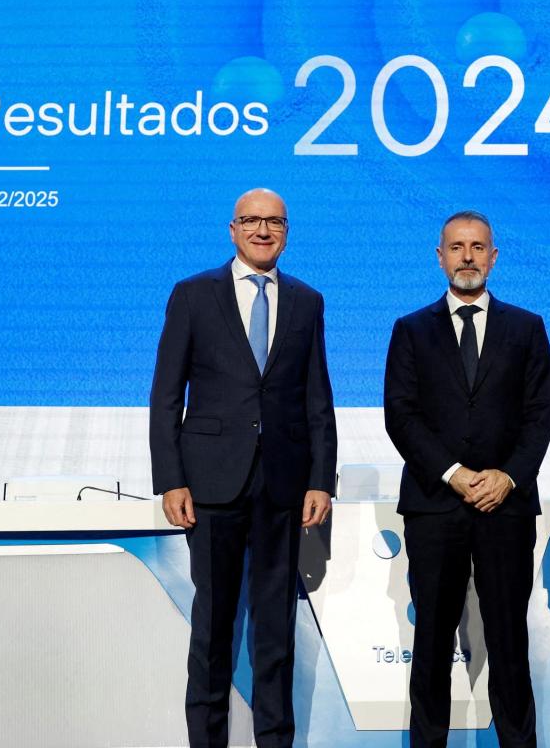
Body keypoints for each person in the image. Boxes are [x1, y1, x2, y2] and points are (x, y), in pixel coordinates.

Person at [149, 188, 337, 748]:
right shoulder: (192, 294)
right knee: (213, 629)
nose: (263, 230)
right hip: (210, 484)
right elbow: (165, 395)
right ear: (232, 229)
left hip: (282, 486)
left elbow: (317, 399)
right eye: (252, 221)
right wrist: (171, 479)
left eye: (274, 222)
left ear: (286, 231)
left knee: (276, 633)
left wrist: (320, 480)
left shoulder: (307, 301)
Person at [384, 210, 550, 748]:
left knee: (508, 640)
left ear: (494, 257)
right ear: (440, 256)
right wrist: (455, 474)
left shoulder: (527, 328)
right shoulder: (410, 330)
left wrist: (507, 477)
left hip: (505, 508)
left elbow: (539, 413)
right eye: (456, 247)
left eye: (477, 247)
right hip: (435, 507)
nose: (467, 257)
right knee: (432, 640)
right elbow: (401, 415)